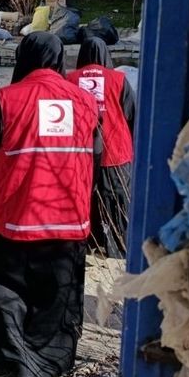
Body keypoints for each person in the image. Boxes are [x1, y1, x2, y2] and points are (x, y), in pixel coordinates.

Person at [0, 32, 101, 377]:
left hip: (14, 220)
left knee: (7, 291)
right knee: (58, 293)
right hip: (68, 219)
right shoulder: (84, 101)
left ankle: (14, 364)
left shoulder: (8, 99)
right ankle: (55, 359)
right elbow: (96, 151)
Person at [67, 37, 136, 258]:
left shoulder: (70, 79)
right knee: (117, 198)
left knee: (85, 196)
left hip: (81, 153)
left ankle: (89, 240)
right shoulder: (118, 79)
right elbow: (132, 114)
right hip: (115, 151)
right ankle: (117, 246)